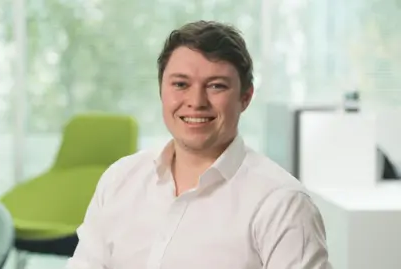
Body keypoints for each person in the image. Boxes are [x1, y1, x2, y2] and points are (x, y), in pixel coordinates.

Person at [66, 20, 331, 269]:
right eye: (180, 84)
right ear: (162, 91)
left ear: (245, 98)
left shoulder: (282, 203)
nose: (196, 101)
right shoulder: (119, 180)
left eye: (216, 86)